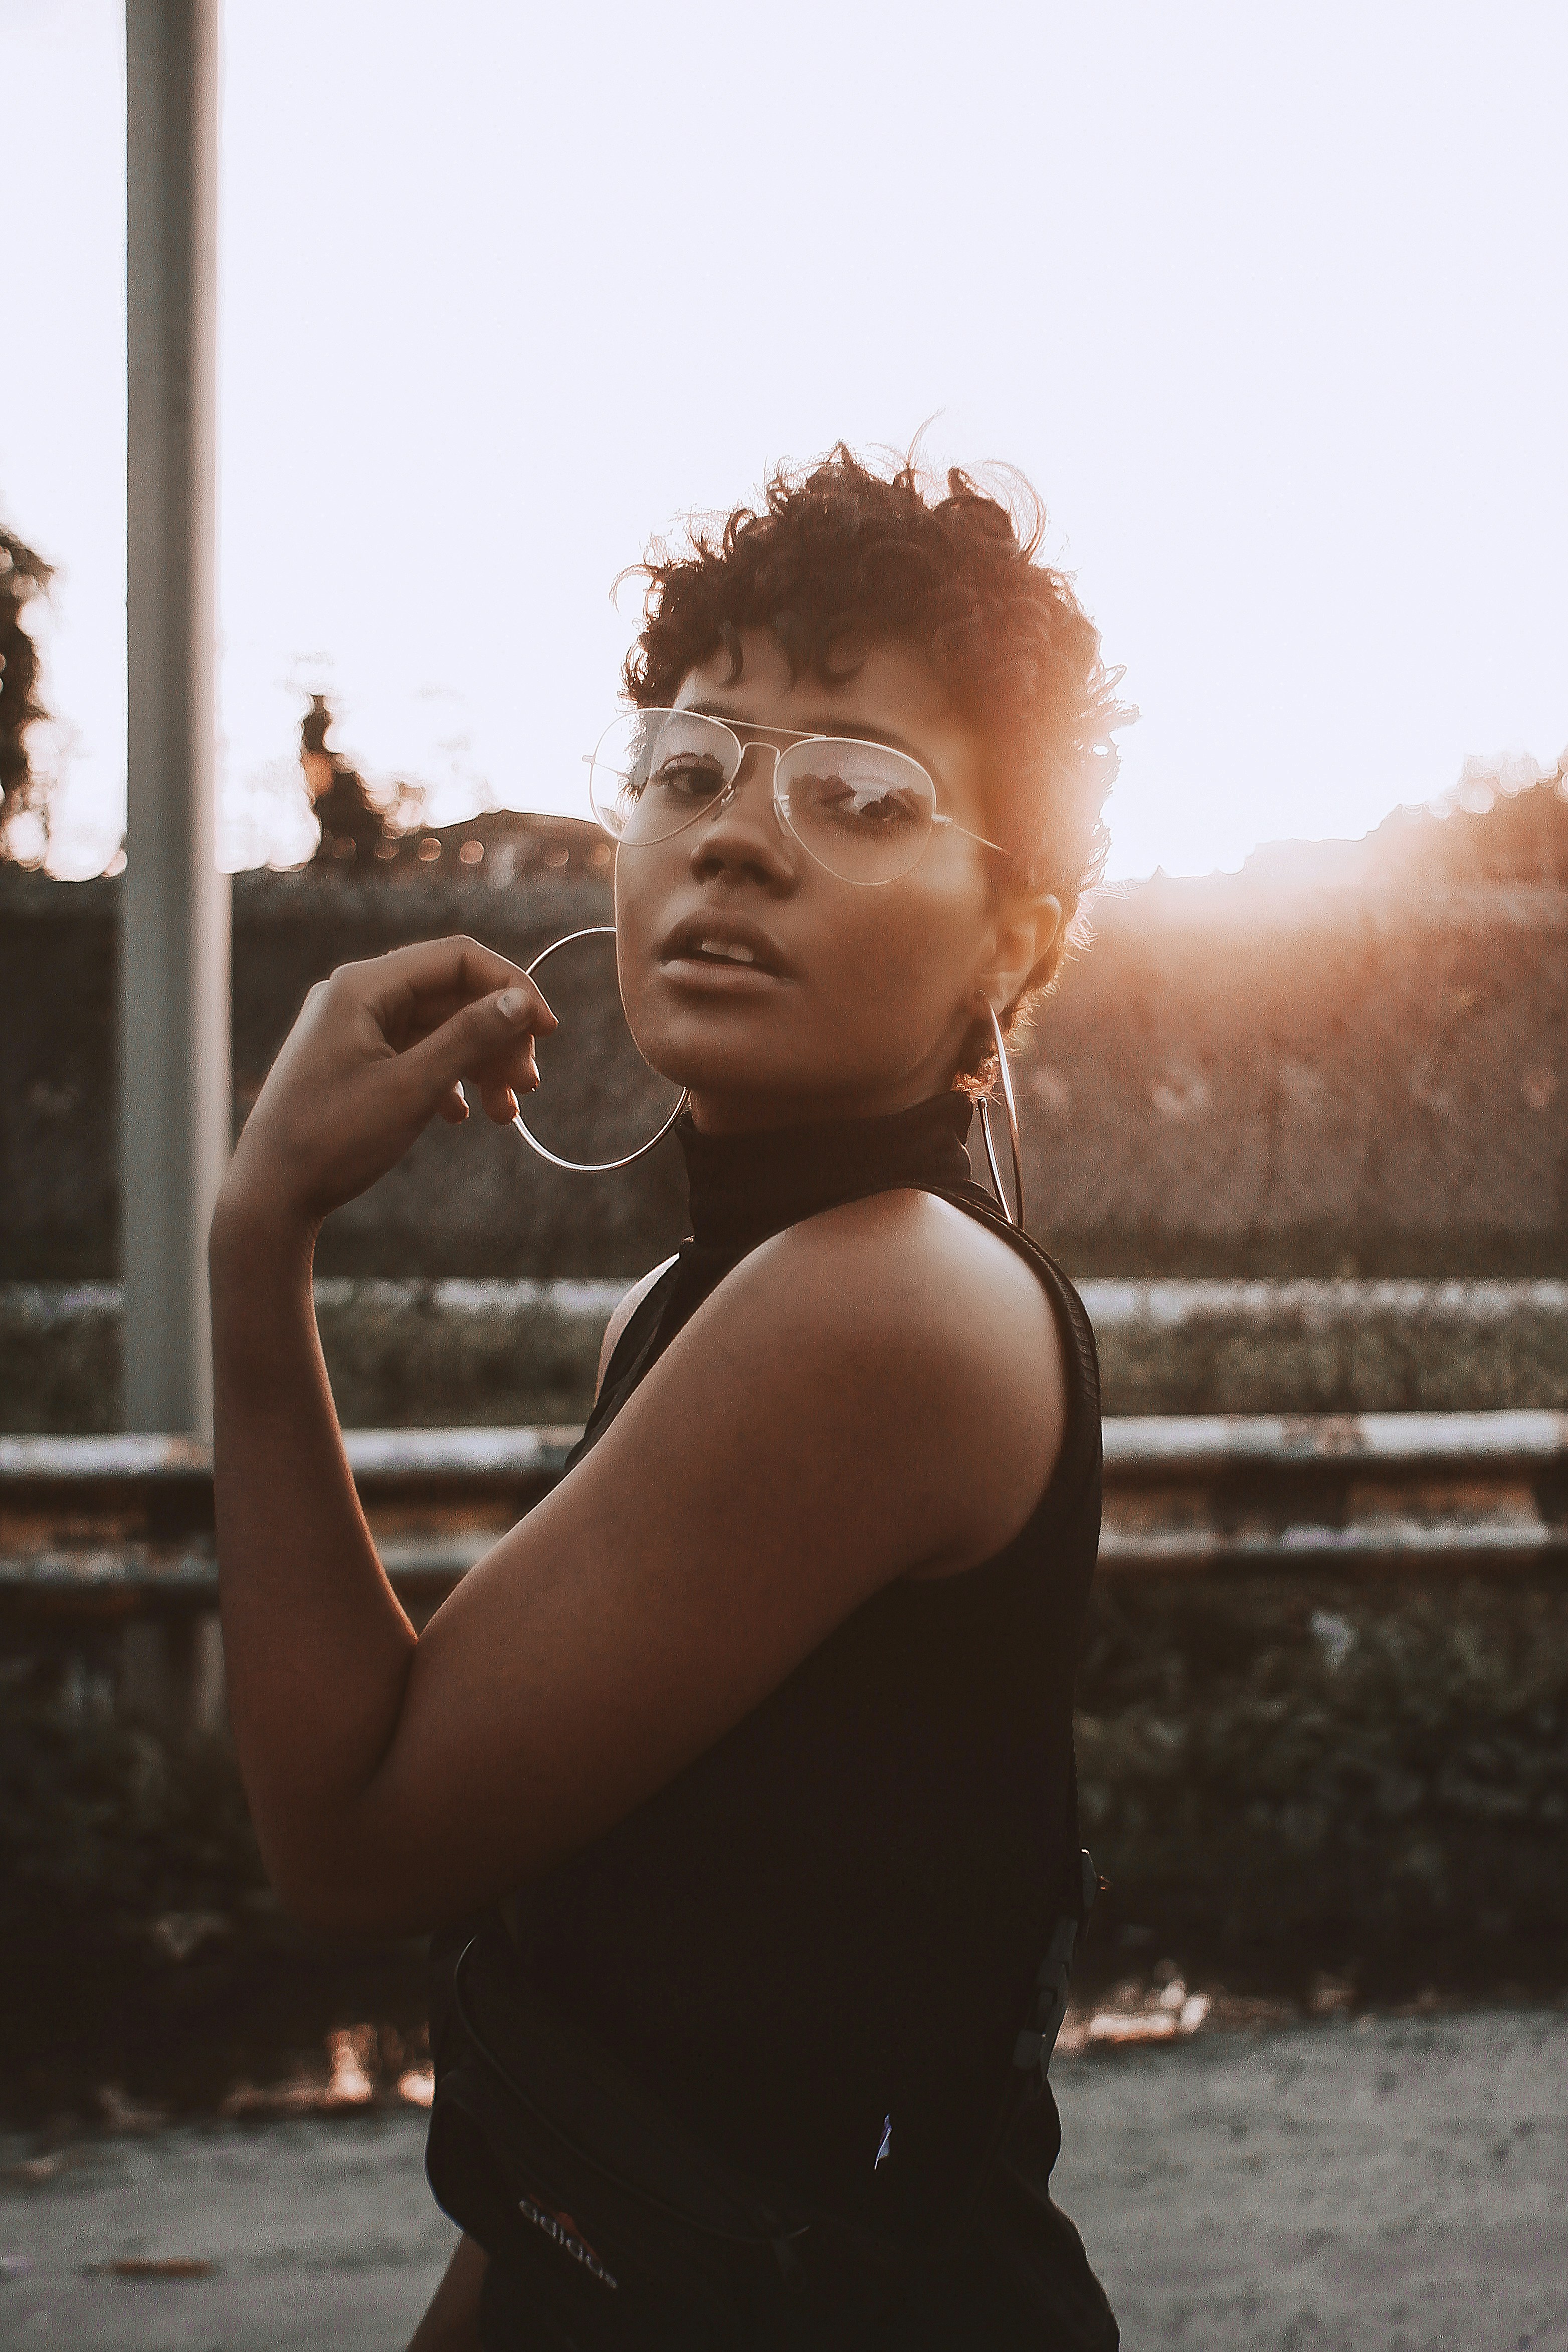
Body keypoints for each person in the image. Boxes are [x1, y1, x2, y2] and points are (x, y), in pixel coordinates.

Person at [210, 447, 1131, 2349]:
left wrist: (257, 1232)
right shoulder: (697, 1297)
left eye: (861, 791)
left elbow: (353, 1836)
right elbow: (635, 2070)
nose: (738, 837)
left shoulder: (881, 1312)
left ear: (1013, 937)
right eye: (690, 767)